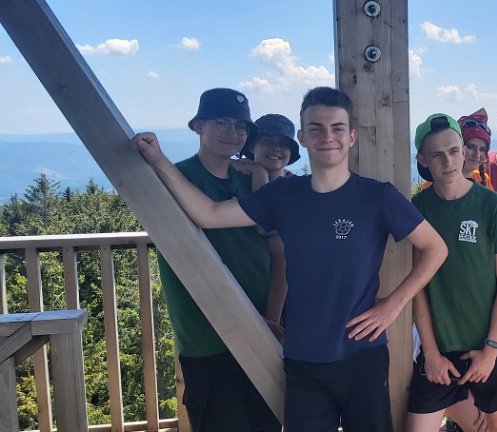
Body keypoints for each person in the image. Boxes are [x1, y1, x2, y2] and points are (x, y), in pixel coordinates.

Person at [134, 87, 448, 432]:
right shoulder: (282, 195)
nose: (327, 136)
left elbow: (436, 248)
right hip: (302, 359)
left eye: (337, 128)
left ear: (351, 137)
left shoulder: (378, 196)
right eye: (316, 128)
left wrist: (394, 304)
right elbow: (208, 214)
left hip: (363, 356)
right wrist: (159, 160)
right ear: (303, 137)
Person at [147, 88, 279, 432]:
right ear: (198, 126)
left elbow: (268, 229)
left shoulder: (249, 179)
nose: (232, 132)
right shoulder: (177, 177)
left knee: (266, 422)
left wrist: (259, 172)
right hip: (206, 331)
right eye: (221, 122)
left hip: (260, 322)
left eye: (240, 126)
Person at [407, 113, 497, 432]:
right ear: (422, 159)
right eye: (437, 154)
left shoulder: (494, 206)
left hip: (490, 344)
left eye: (453, 151)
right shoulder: (417, 210)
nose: (448, 161)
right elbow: (418, 287)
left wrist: (491, 350)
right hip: (441, 348)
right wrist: (431, 352)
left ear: (463, 150)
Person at [238, 113, 302, 340]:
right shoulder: (235, 184)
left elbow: (265, 227)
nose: (276, 148)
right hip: (245, 298)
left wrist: (258, 172)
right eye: (267, 140)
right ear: (252, 145)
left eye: (283, 144)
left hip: (294, 302)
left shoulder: (299, 190)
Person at [417, 108, 494, 190]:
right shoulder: (431, 187)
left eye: (482, 149)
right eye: (471, 147)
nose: (477, 155)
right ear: (462, 150)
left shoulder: (483, 179)